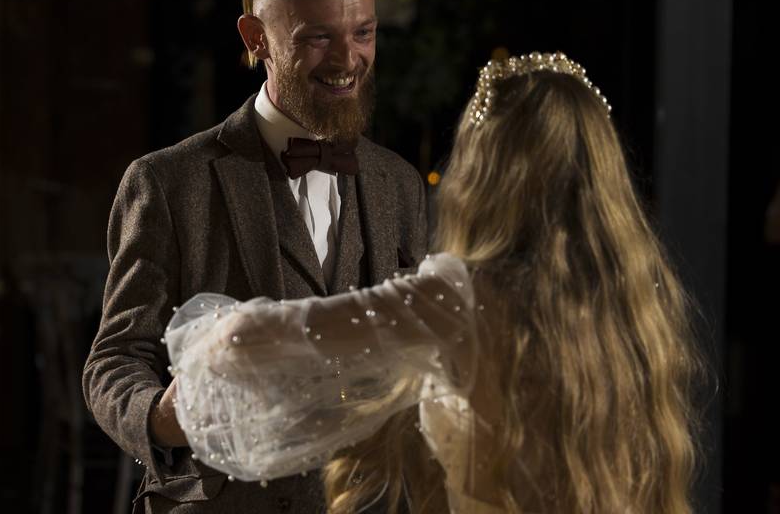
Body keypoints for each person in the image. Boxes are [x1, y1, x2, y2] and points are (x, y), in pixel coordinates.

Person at [165, 52, 704, 513]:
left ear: (487, 171)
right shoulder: (634, 296)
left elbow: (246, 341)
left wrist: (204, 342)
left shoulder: (459, 296)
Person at [82, 0, 428, 513]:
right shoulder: (166, 182)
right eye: (318, 37)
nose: (349, 60)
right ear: (255, 37)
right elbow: (114, 361)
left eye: (363, 32)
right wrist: (164, 419)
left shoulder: (399, 183)